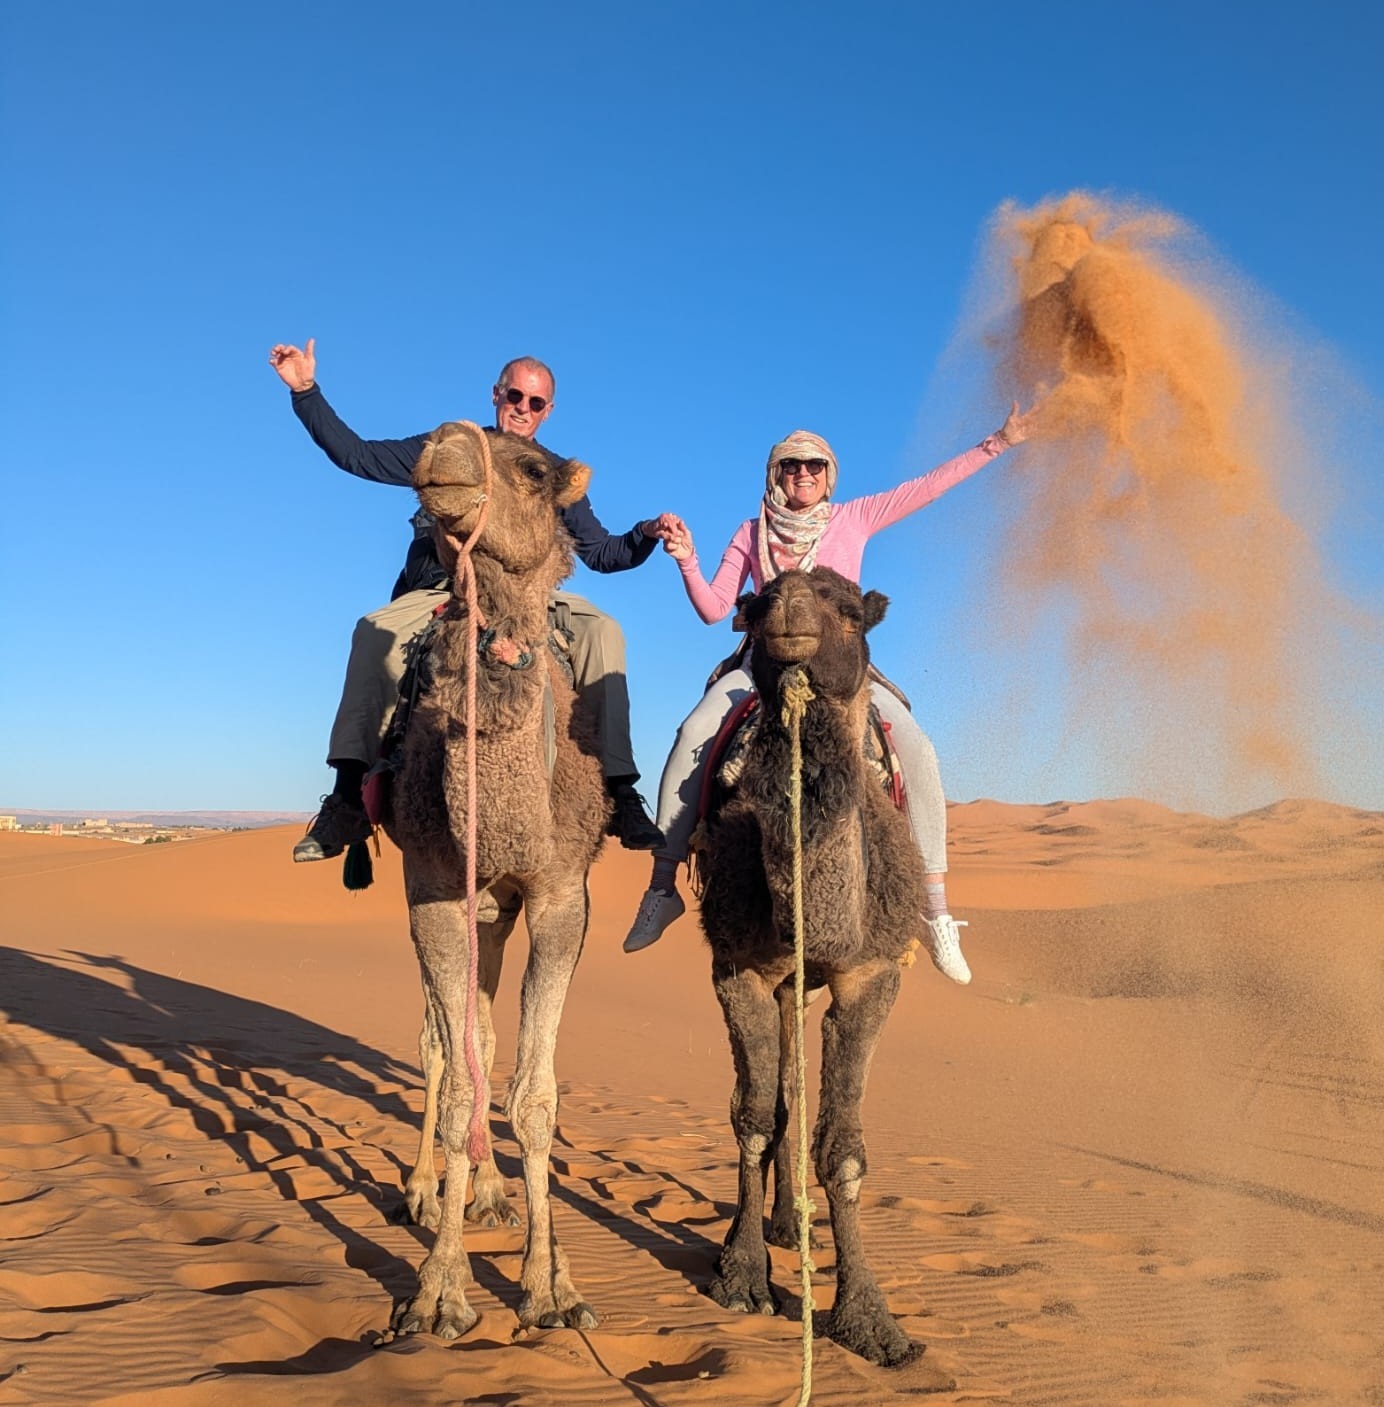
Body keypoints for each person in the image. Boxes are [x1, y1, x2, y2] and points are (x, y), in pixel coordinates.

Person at [623, 406, 1036, 981]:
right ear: (776, 474)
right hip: (765, 667)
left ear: (829, 473)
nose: (803, 474)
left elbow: (926, 489)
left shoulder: (854, 517)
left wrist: (997, 443)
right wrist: (687, 558)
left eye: (814, 465)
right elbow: (716, 610)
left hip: (841, 672)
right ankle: (663, 885)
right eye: (790, 465)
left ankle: (936, 908)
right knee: (694, 734)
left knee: (914, 748)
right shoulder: (752, 531)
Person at [268, 339, 672, 859]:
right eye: (515, 395)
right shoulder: (456, 451)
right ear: (496, 394)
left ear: (548, 412)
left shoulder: (548, 472)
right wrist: (306, 391)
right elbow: (359, 456)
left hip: (527, 596)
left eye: (535, 402)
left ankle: (619, 788)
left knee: (604, 632)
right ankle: (347, 796)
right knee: (374, 633)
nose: (522, 409)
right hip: (446, 590)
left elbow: (601, 553)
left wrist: (645, 534)